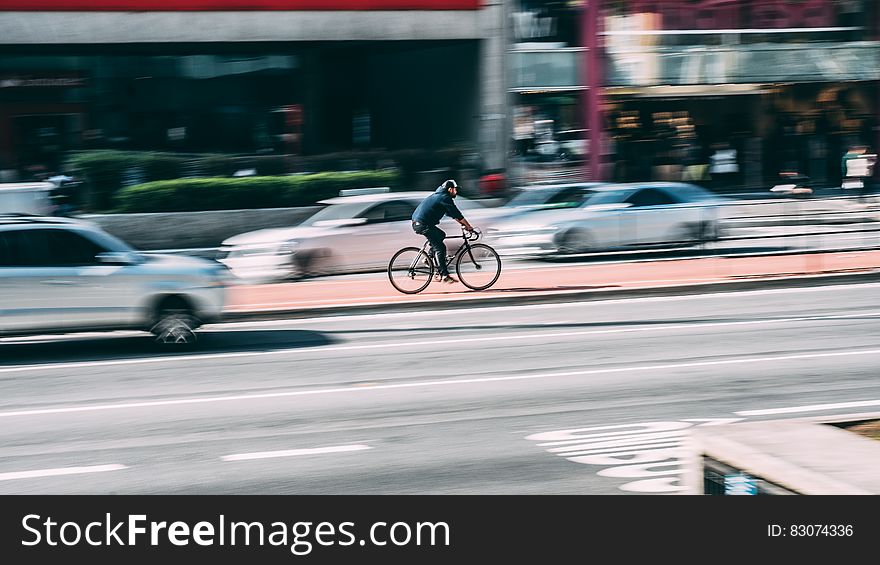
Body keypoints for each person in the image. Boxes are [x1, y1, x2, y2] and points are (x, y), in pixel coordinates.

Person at [411, 179, 476, 284]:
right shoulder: (444, 198)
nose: (456, 192)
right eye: (455, 190)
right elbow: (458, 215)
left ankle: (429, 258)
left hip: (421, 223)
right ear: (450, 189)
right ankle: (445, 275)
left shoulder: (439, 196)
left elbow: (453, 215)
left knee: (441, 235)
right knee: (441, 248)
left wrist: (463, 224)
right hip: (422, 224)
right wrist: (468, 227)